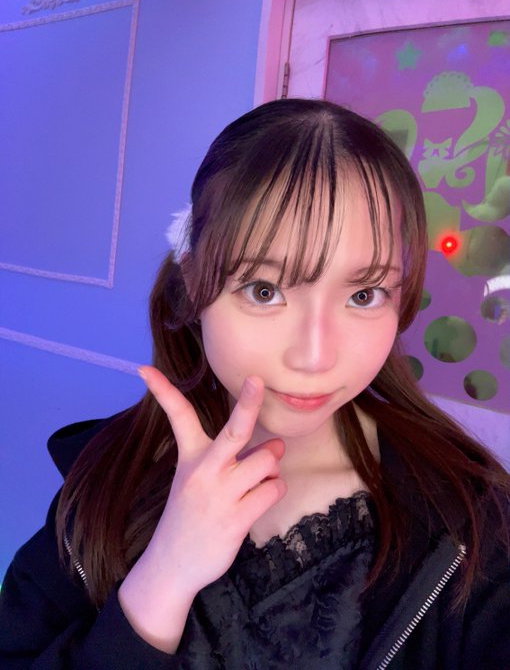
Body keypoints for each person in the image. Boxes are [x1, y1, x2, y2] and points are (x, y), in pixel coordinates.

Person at [1, 99, 509, 669]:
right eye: (265, 291)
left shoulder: (473, 526)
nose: (314, 356)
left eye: (364, 294)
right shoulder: (105, 481)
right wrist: (163, 576)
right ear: (193, 285)